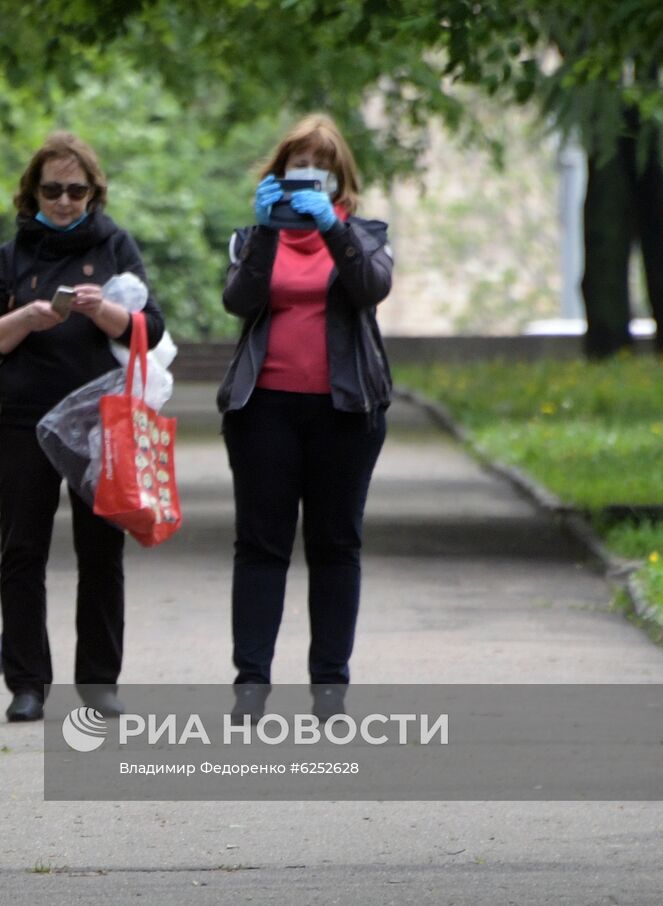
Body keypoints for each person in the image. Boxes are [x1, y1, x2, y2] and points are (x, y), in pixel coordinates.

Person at [0, 132, 165, 723]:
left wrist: (102, 310)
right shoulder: (11, 256)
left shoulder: (114, 246)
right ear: (32, 193)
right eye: (51, 189)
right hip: (24, 421)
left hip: (100, 423)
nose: (63, 200)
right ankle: (28, 684)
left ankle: (100, 682)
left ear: (92, 193)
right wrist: (27, 316)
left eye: (75, 190)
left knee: (101, 553)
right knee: (21, 552)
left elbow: (149, 331)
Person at [216, 114, 394, 719]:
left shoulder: (365, 235)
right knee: (261, 546)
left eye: (319, 171)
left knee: (335, 544)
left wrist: (332, 231)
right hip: (263, 410)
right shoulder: (250, 237)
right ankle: (251, 684)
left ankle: (329, 687)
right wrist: (268, 231)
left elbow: (370, 288)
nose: (306, 180)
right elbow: (240, 300)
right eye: (296, 170)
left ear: (339, 182)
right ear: (278, 177)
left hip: (345, 413)